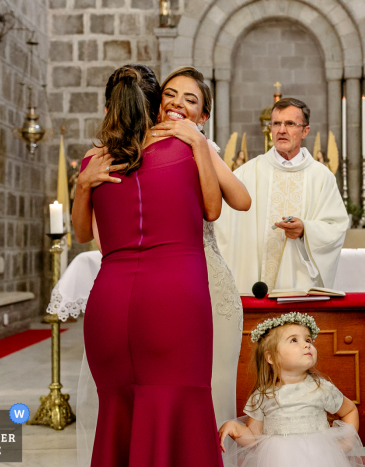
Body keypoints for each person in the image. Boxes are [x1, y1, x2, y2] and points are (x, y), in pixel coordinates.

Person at [72, 65, 251, 466]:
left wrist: (83, 184)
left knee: (118, 410)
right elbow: (213, 208)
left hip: (111, 302)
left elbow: (84, 232)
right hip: (175, 297)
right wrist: (200, 145)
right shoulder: (186, 148)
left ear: (108, 107)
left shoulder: (94, 161)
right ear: (155, 105)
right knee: (182, 409)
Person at [214, 98, 349, 294]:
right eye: (276, 123)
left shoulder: (321, 177)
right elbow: (220, 222)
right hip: (252, 287)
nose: (281, 130)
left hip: (298, 287)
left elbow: (335, 227)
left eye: (290, 124)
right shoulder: (246, 173)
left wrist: (305, 230)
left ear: (305, 131)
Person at [218, 313, 365, 467]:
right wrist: (235, 429)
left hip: (320, 459)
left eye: (308, 340)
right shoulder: (262, 396)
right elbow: (255, 440)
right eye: (294, 340)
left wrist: (346, 444)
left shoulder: (321, 388)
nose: (307, 344)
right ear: (271, 357)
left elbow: (349, 411)